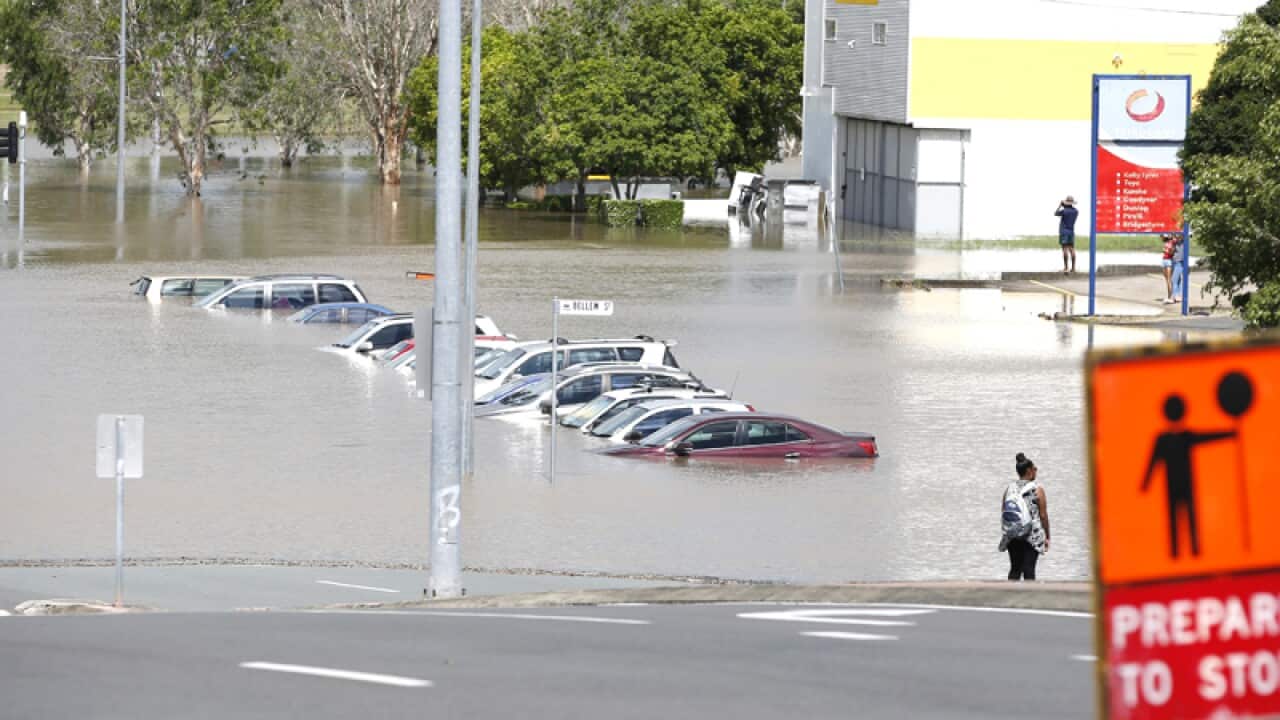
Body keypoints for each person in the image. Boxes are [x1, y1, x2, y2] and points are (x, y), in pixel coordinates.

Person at [999, 452, 1050, 581]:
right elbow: (1043, 515)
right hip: (1031, 536)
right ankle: (1030, 599)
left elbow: (1004, 512)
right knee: (1029, 569)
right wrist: (1047, 536)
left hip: (1013, 534)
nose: (1036, 470)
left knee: (1015, 569)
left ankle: (1010, 597)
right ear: (1029, 471)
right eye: (1035, 468)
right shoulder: (1037, 489)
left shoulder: (1009, 488)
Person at [1055, 197, 1079, 273]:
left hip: (1064, 232)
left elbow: (1055, 213)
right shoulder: (1076, 211)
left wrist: (1060, 205)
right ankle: (1073, 268)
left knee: (1065, 249)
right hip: (1071, 232)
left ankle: (1066, 268)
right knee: (1072, 249)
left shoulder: (1064, 211)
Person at [1170, 233, 1187, 304]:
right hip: (1175, 262)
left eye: (1177, 236)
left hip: (1179, 263)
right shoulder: (1175, 243)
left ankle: (1174, 296)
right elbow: (1171, 252)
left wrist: (1176, 238)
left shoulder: (1183, 242)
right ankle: (1178, 296)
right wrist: (1173, 244)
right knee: (1178, 280)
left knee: (1174, 280)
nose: (1175, 237)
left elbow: (1183, 236)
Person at [1161, 233, 1176, 303]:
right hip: (1164, 260)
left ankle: (1171, 297)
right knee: (1166, 280)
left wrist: (1167, 251)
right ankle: (1169, 296)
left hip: (1169, 261)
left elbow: (1172, 252)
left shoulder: (1172, 241)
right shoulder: (1165, 242)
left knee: (1169, 280)